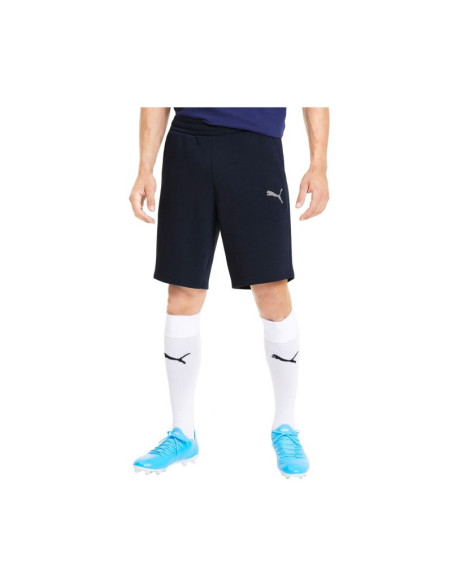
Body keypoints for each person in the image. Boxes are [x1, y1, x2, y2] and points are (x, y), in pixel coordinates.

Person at [129, 107, 330, 478]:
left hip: (256, 145)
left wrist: (318, 164)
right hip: (187, 143)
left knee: (271, 289)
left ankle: (285, 426)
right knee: (182, 291)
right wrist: (145, 167)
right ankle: (182, 433)